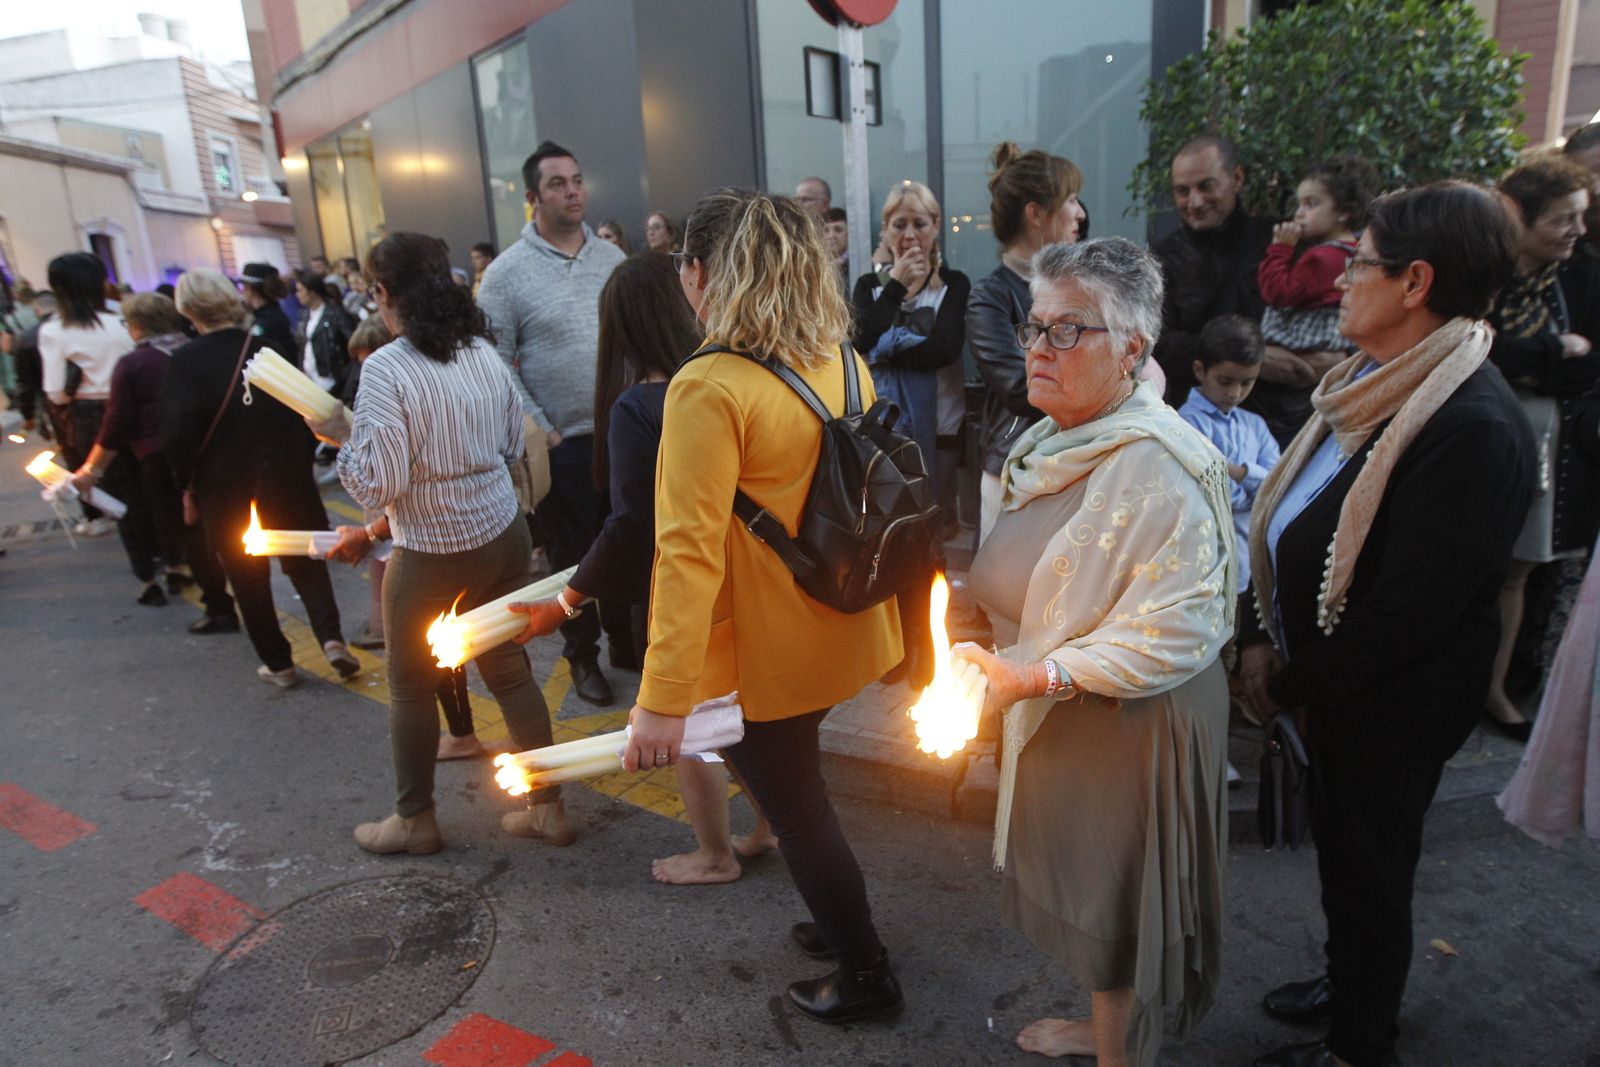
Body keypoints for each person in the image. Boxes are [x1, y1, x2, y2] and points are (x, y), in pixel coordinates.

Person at [1239, 183, 1534, 1067]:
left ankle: (1359, 1042)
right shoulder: (1370, 383)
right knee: (1346, 862)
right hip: (1333, 691)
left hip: (1387, 707)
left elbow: (1405, 614)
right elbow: (1293, 516)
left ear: (1416, 283)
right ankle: (1349, 983)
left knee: (1371, 877)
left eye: (1359, 262)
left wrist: (1287, 683)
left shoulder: (1472, 425)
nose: (1338, 279)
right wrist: (1261, 631)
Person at [952, 237, 1234, 1067]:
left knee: (1118, 905)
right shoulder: (1055, 436)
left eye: (1067, 331)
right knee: (1085, 887)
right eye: (1035, 326)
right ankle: (1104, 1027)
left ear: (1132, 349)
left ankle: (1120, 1052)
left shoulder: (1161, 465)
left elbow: (1182, 622)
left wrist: (1035, 673)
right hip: (1054, 706)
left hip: (1129, 723)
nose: (1037, 347)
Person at [628, 188, 904, 1023]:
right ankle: (840, 919)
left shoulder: (708, 385)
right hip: (842, 620)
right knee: (805, 794)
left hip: (765, 650)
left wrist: (660, 701)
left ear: (704, 273)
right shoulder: (841, 356)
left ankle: (867, 971)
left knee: (798, 811)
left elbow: (685, 555)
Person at [507, 250, 777, 882]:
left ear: (621, 328)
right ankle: (767, 824)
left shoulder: (639, 407)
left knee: (688, 725)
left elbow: (631, 525)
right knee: (749, 719)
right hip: (753, 583)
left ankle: (714, 855)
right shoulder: (732, 380)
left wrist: (565, 603)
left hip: (687, 592)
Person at [309, 232, 565, 854]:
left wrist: (336, 435)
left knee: (410, 685)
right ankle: (549, 807)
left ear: (383, 293)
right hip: (503, 531)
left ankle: (415, 819)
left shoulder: (387, 369)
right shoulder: (482, 351)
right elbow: (511, 441)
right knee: (509, 671)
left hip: (430, 547)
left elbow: (378, 479)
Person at [476, 140, 633, 706]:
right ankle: (582, 657)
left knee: (626, 542)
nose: (573, 191)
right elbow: (494, 359)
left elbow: (634, 340)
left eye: (577, 180)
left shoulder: (611, 261)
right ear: (532, 198)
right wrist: (542, 425)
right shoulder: (505, 275)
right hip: (561, 443)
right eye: (558, 184)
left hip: (623, 433)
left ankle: (624, 642)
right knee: (573, 557)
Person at [160, 269, 357, 688]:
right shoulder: (266, 348)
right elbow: (306, 408)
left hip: (223, 483)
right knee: (307, 557)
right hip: (284, 472)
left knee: (246, 573)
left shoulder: (184, 362)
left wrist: (185, 485)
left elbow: (178, 432)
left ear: (189, 310)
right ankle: (332, 638)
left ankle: (279, 664)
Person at [1483, 153, 1600, 739]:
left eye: (1580, 217)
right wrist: (1555, 353)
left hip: (1553, 453)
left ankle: (1498, 690)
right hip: (1485, 448)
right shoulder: (1484, 276)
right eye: (1563, 219)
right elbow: (1476, 350)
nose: (1578, 230)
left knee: (1517, 575)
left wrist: (1532, 364)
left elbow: (1591, 370)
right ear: (1521, 223)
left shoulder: (1583, 279)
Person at [851, 180, 970, 688]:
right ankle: (899, 645)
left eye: (919, 223)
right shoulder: (869, 286)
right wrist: (896, 285)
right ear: (886, 230)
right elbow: (858, 341)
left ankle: (931, 645)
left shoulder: (956, 285)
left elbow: (943, 348)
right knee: (889, 543)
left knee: (931, 544)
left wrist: (887, 345)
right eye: (899, 224)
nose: (910, 234)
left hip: (938, 435)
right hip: (881, 441)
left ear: (936, 227)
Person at [70, 294, 234, 615]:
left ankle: (217, 605)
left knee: (188, 532)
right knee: (221, 525)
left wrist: (93, 467)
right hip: (213, 449)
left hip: (160, 456)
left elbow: (117, 421)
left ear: (136, 326)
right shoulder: (195, 349)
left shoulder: (133, 364)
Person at [967, 142, 1085, 542]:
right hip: (1015, 468)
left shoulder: (1080, 287)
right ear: (1036, 213)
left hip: (1076, 460)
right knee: (1008, 599)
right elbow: (1021, 388)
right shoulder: (990, 296)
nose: (1080, 214)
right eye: (1070, 200)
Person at [1255, 156, 1378, 444]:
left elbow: (1279, 292)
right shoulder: (1353, 251)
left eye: (1312, 204)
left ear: (1344, 213)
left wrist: (1280, 250)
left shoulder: (1323, 257)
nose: (1299, 214)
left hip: (1300, 354)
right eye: (1299, 204)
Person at [1150, 134, 1276, 408]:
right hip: (1191, 421)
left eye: (1206, 186)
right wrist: (1254, 360)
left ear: (1237, 179)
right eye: (1182, 191)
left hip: (1274, 421)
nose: (1194, 202)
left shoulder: (1276, 246)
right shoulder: (1161, 260)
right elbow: (1156, 343)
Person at [1179, 314, 1280, 600]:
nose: (1235, 393)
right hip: (1201, 561)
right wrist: (1250, 488)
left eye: (1247, 383)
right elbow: (1198, 490)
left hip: (1248, 561)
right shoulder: (1183, 424)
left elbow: (1276, 485)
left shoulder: (1255, 425)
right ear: (1200, 370)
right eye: (1224, 381)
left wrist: (1238, 472)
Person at [40, 252, 136, 537]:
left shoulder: (55, 331)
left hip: (92, 416)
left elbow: (56, 393)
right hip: (139, 408)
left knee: (119, 493)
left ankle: (145, 568)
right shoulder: (123, 320)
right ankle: (172, 558)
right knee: (151, 488)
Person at [293, 270, 356, 397]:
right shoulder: (303, 315)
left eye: (300, 290)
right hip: (310, 378)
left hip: (333, 379)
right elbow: (302, 347)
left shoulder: (336, 314)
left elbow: (353, 344)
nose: (297, 295)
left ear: (312, 291)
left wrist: (344, 376)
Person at [238, 263, 297, 356]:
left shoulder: (272, 320)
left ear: (251, 290)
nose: (242, 293)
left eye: (243, 288)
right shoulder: (258, 315)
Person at [822, 206, 849, 290]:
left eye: (838, 230)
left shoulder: (859, 263)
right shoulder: (814, 264)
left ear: (849, 234)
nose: (831, 236)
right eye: (826, 230)